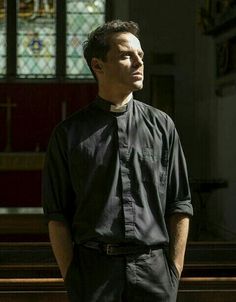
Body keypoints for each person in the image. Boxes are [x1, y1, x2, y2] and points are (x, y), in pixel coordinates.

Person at [42, 20, 193, 302]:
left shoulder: (162, 126)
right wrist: (73, 276)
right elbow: (57, 215)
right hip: (94, 273)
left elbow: (180, 203)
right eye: (126, 55)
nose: (139, 62)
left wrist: (173, 270)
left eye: (141, 55)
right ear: (98, 66)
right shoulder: (69, 134)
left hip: (154, 273)